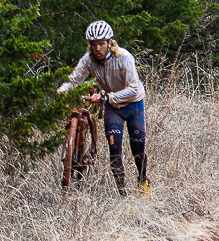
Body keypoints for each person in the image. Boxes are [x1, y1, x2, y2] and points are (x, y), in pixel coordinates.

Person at [57, 20, 150, 196]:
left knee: (138, 148)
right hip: (112, 108)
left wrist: (106, 96)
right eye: (94, 45)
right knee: (114, 150)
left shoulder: (124, 57)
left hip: (133, 105)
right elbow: (75, 79)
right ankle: (122, 194)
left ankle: (143, 181)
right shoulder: (88, 60)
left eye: (101, 44)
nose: (98, 48)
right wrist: (63, 89)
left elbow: (134, 89)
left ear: (110, 42)